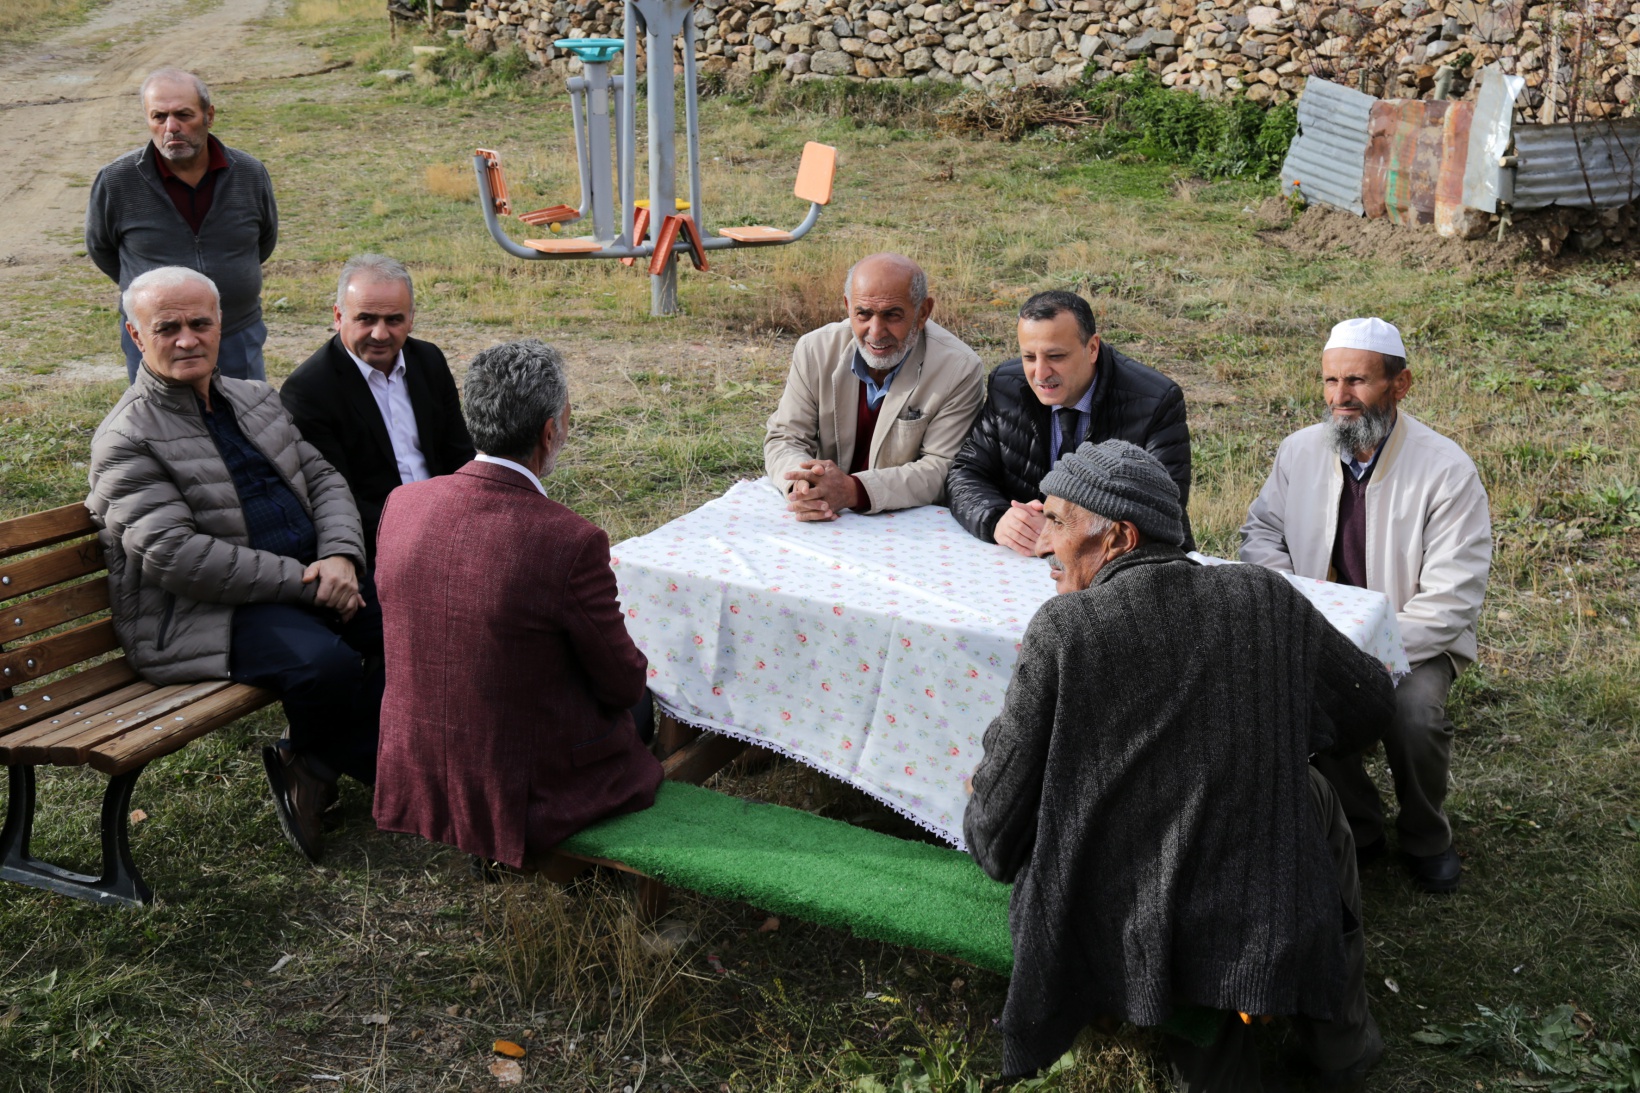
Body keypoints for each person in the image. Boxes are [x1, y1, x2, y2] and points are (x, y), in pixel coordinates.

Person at [965, 440, 1393, 1091]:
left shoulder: (1066, 631)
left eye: (1056, 521)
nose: (1044, 543)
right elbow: (1368, 705)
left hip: (1125, 917)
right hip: (1259, 902)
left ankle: (1226, 1049)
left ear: (1120, 537)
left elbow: (993, 840)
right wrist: (1259, 738)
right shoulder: (1263, 597)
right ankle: (1341, 1038)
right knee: (1307, 793)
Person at [85, 267, 379, 865]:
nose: (188, 339)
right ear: (136, 336)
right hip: (205, 612)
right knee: (325, 665)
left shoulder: (253, 397)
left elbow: (322, 476)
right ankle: (409, 782)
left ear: (222, 326)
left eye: (201, 323)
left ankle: (315, 763)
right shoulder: (126, 438)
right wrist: (306, 583)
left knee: (411, 630)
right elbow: (175, 556)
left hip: (310, 578)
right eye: (168, 327)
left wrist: (341, 556)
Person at [372, 339, 662, 870]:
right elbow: (622, 683)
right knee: (642, 707)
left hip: (421, 764)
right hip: (522, 785)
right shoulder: (568, 541)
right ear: (551, 431)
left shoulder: (403, 504)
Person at [1240, 317, 1491, 894]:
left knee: (1413, 717)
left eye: (1357, 381)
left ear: (1400, 386)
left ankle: (1427, 835)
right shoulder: (1299, 450)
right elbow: (1261, 535)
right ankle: (1358, 826)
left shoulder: (1447, 470)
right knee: (1296, 700)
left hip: (1412, 642)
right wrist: (1299, 611)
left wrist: (1370, 650)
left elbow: (1451, 601)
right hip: (1317, 630)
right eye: (1330, 382)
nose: (1339, 398)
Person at [945, 290, 1195, 554]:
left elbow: (1161, 514)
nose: (1040, 373)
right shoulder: (1007, 385)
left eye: (1056, 357)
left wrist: (1061, 531)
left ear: (1092, 348)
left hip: (1116, 566)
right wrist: (997, 519)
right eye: (1029, 357)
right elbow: (966, 472)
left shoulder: (1154, 401)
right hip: (1024, 561)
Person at [280, 254, 476, 565]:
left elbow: (458, 452)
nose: (380, 334)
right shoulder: (308, 390)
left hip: (451, 521)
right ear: (338, 316)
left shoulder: (428, 360)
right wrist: (426, 535)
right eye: (366, 318)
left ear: (411, 318)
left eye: (394, 320)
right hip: (380, 544)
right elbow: (337, 500)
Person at [86, 68, 278, 384]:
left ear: (209, 115)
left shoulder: (249, 173)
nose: (171, 127)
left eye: (183, 115)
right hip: (156, 339)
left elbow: (264, 241)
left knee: (246, 424)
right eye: (159, 117)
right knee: (161, 428)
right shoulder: (117, 180)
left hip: (235, 332)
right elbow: (102, 249)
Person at [763, 253, 984, 520]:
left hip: (907, 526)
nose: (876, 331)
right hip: (824, 517)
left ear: (923, 312)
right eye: (864, 314)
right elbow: (785, 437)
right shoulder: (814, 350)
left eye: (892, 315)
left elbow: (943, 467)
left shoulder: (958, 368)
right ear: (847, 306)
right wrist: (804, 486)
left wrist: (854, 490)